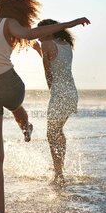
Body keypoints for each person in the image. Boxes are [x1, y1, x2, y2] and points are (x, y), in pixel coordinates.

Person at [0, 0, 90, 213]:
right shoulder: (9, 24)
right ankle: (25, 125)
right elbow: (31, 34)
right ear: (18, 11)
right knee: (16, 106)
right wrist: (71, 23)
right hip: (10, 86)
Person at [36, 19, 80, 186]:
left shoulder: (46, 44)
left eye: (40, 31)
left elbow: (49, 73)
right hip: (71, 93)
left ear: (50, 31)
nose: (37, 35)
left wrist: (52, 92)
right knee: (57, 131)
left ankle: (59, 173)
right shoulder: (66, 44)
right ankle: (59, 168)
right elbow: (56, 62)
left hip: (60, 94)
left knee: (52, 133)